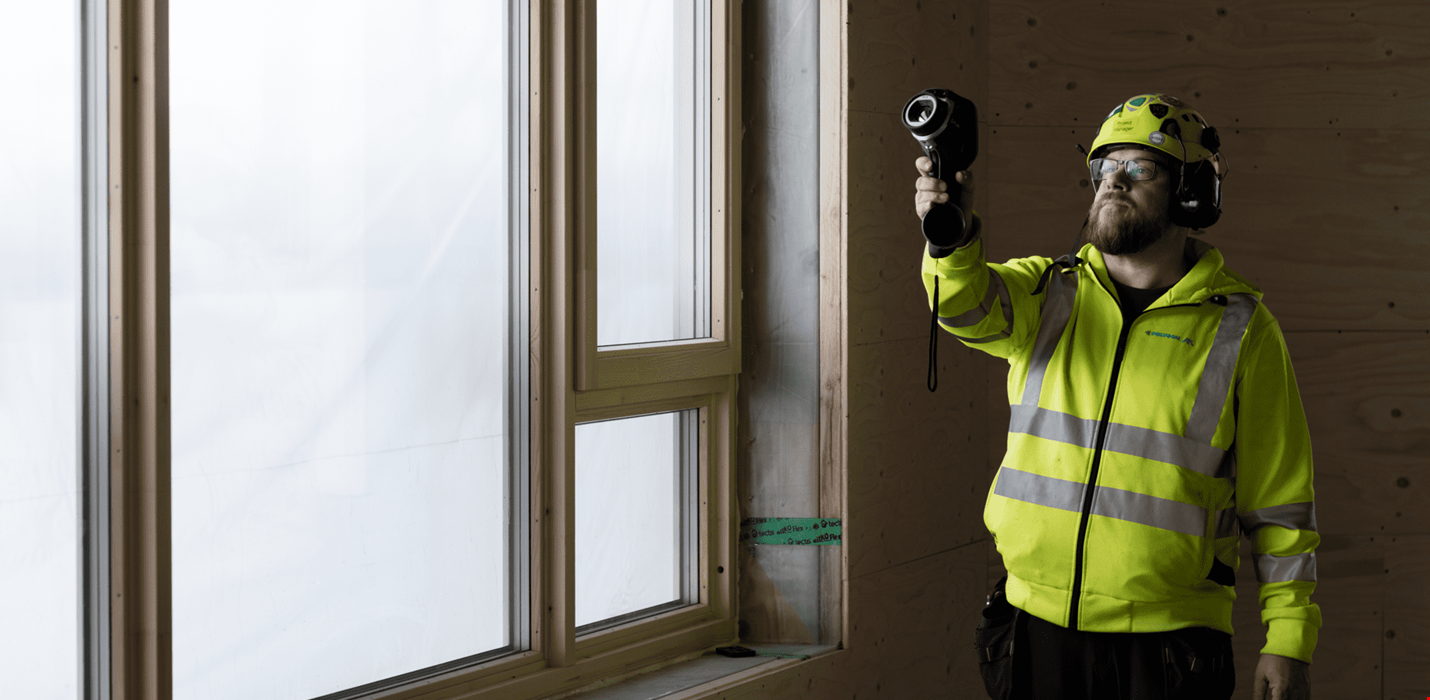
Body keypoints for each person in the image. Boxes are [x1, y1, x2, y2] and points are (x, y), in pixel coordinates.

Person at [916, 93, 1319, 700]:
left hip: (1168, 647)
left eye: (1140, 168)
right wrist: (952, 243)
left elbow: (1281, 505)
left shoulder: (1241, 330)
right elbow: (963, 306)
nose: (1114, 181)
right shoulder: (1046, 293)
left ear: (1190, 192)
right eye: (1105, 167)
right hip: (1034, 627)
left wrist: (1288, 637)